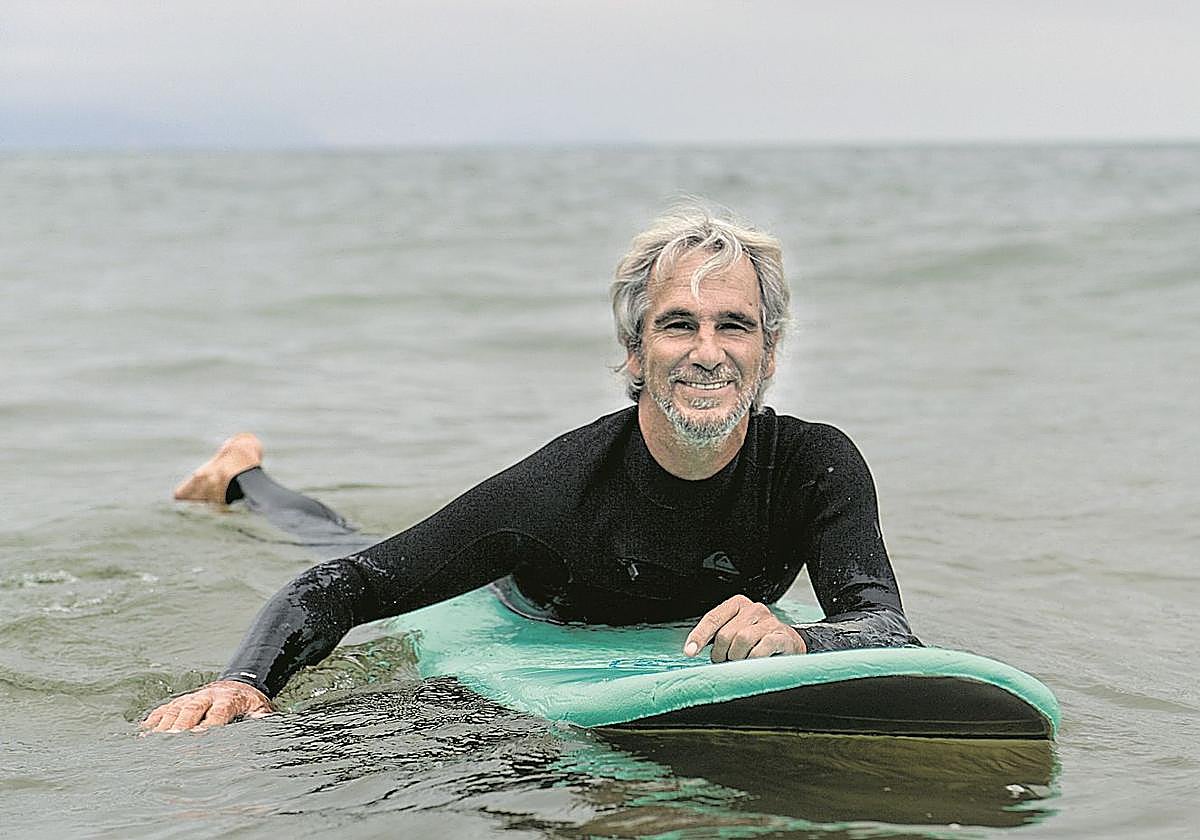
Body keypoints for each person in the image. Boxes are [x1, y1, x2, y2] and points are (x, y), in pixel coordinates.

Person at [143, 205, 918, 733]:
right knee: (329, 543)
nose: (708, 351)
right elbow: (349, 588)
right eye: (678, 324)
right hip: (526, 611)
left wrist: (798, 642)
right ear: (634, 351)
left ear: (769, 353)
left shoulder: (814, 466)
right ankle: (242, 478)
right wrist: (243, 683)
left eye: (734, 326)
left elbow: (884, 626)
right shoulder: (557, 493)